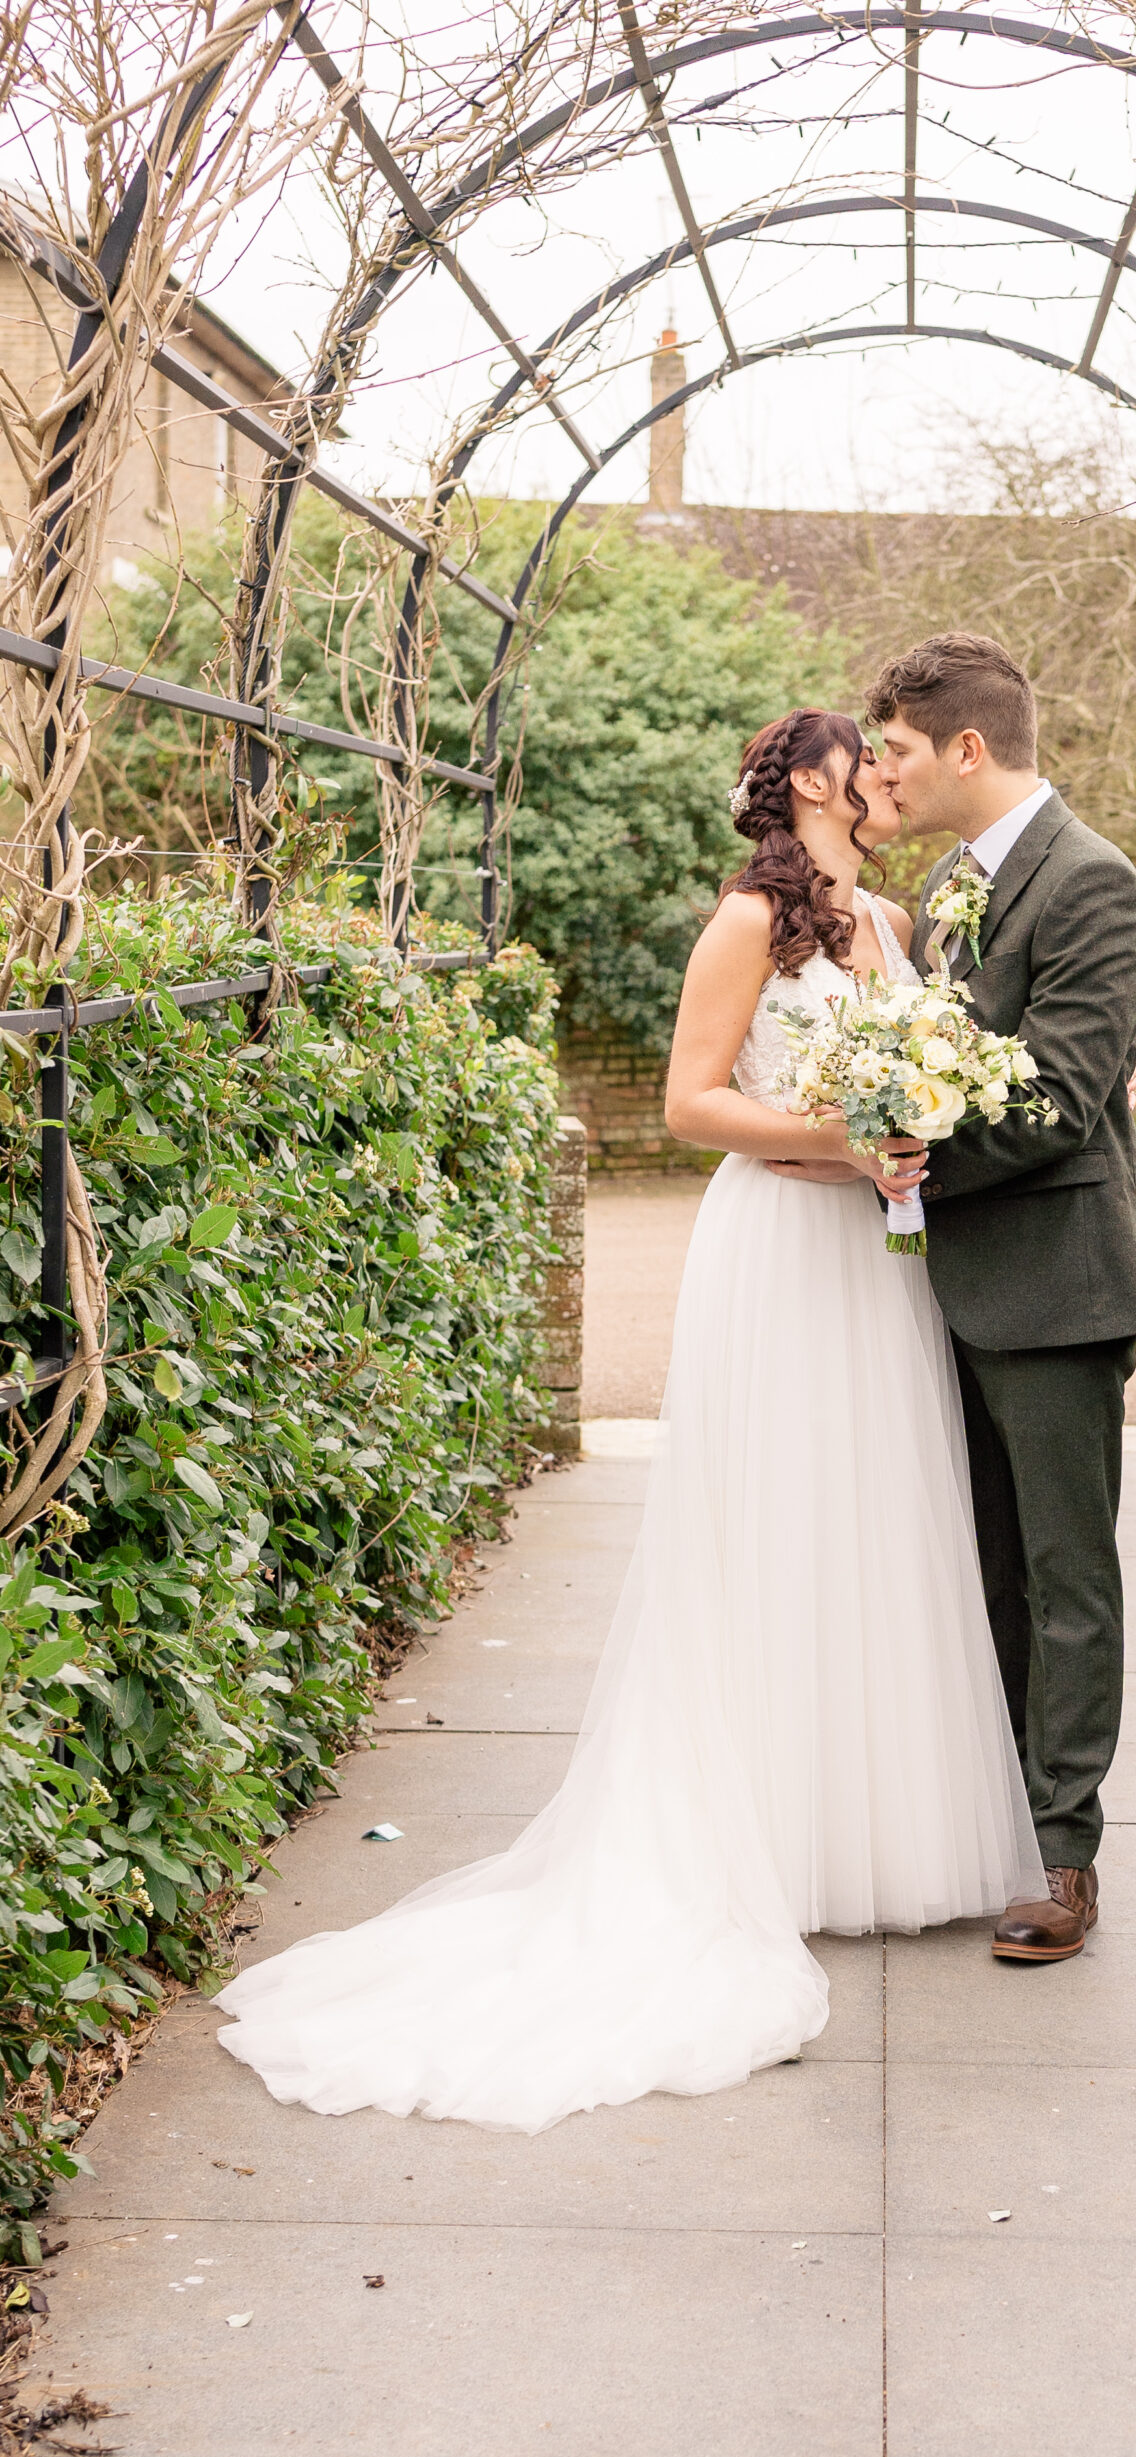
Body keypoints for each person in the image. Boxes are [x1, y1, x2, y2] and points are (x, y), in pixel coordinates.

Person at [212, 707, 1044, 2130]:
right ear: (808, 784)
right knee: (767, 1525)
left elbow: (911, 1077)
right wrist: (828, 1137)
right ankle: (754, 1841)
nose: (891, 779)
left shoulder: (895, 927)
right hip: (775, 1261)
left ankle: (862, 1840)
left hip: (875, 1257)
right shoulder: (746, 924)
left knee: (873, 1524)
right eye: (869, 760)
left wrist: (905, 1142)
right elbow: (688, 1105)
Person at [868, 633, 1136, 1961]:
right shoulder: (946, 887)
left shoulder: (1093, 882)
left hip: (1055, 1286)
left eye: (900, 751)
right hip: (953, 1281)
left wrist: (905, 1140)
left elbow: (1059, 1097)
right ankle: (992, 1817)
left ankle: (1064, 1856)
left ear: (967, 748)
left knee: (1063, 1576)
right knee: (977, 1571)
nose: (884, 772)